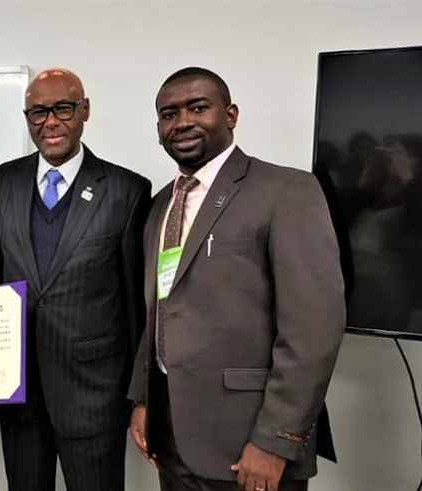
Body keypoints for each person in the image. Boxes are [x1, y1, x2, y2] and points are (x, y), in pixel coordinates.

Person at [128, 67, 346, 491]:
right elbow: (160, 309)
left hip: (249, 444)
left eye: (198, 107)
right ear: (158, 129)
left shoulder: (286, 190)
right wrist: (144, 397)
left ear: (230, 115)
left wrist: (277, 441)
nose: (183, 121)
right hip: (172, 435)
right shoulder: (160, 206)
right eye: (169, 114)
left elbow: (314, 328)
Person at [0, 68, 152, 491]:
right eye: (37, 112)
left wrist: (142, 394)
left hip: (94, 393)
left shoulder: (127, 190)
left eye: (63, 108)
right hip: (19, 390)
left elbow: (137, 303)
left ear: (85, 111)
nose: (51, 122)